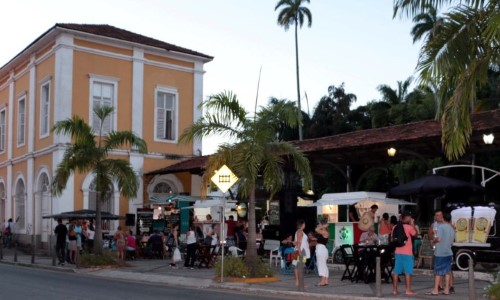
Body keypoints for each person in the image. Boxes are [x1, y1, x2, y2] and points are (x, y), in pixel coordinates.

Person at [427, 210, 455, 295]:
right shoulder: (451, 228)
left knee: (438, 271)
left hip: (440, 252)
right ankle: (447, 289)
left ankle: (435, 289)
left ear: (443, 218)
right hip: (449, 252)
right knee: (447, 271)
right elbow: (452, 241)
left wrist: (433, 241)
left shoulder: (441, 227)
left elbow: (438, 239)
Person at [391, 211, 417, 296]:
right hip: (407, 253)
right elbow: (415, 234)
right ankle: (408, 290)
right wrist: (412, 223)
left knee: (396, 271)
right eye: (410, 217)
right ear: (407, 218)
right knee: (408, 272)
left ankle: (394, 290)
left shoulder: (395, 226)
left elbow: (392, 239)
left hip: (398, 252)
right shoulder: (409, 227)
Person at [294, 219, 310, 288]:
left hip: (298, 250)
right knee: (300, 267)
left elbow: (296, 242)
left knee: (297, 266)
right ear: (302, 225)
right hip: (301, 251)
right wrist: (300, 251)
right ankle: (301, 283)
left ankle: (298, 282)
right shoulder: (300, 232)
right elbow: (298, 242)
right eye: (304, 224)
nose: (305, 225)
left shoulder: (298, 232)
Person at [314, 219, 330, 286]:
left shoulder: (324, 232)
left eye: (320, 223)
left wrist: (322, 226)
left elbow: (316, 229)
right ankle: (326, 280)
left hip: (321, 249)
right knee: (324, 265)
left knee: (321, 265)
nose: (319, 225)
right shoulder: (324, 231)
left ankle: (322, 281)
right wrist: (323, 226)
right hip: (322, 249)